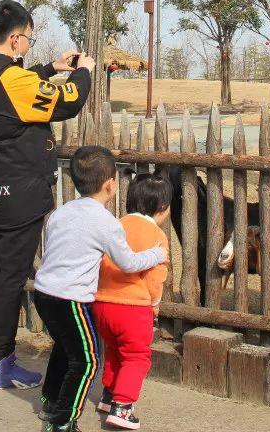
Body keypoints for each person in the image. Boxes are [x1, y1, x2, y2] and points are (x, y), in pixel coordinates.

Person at [0, 0, 94, 389]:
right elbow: (67, 103)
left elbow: (9, 89)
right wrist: (83, 73)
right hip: (20, 193)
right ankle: (0, 362)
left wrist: (50, 68)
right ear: (15, 39)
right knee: (9, 279)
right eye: (29, 39)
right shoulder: (13, 80)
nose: (29, 46)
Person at [33, 146, 167, 432]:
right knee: (87, 360)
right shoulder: (106, 222)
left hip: (43, 292)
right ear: (110, 184)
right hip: (70, 299)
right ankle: (62, 422)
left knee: (66, 348)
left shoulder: (62, 211)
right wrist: (155, 255)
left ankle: (51, 401)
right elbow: (128, 263)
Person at [92, 173, 171, 430]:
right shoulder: (157, 236)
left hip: (102, 303)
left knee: (114, 350)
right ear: (162, 209)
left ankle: (108, 395)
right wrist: (154, 305)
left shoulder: (116, 224)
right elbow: (154, 278)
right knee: (136, 356)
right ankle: (123, 406)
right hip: (133, 308)